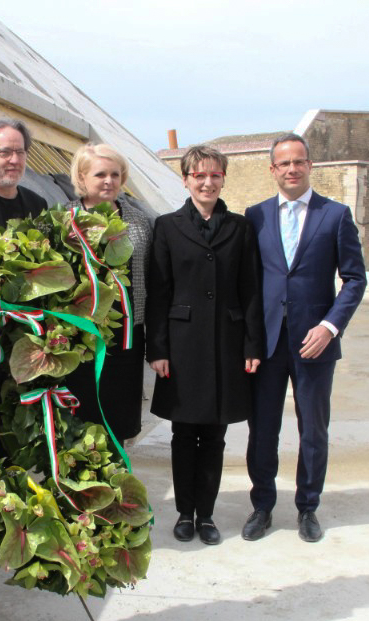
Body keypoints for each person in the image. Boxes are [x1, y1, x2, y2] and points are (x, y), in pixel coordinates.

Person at [241, 133, 367, 543]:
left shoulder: (336, 215)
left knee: (313, 429)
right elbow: (249, 283)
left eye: (299, 162)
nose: (292, 169)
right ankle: (262, 506)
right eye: (284, 163)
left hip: (315, 342)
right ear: (273, 170)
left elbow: (354, 279)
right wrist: (249, 340)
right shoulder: (255, 216)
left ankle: (308, 507)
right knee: (263, 429)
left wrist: (330, 326)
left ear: (310, 166)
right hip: (268, 343)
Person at [146, 146, 264, 545]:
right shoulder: (167, 226)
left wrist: (252, 345)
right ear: (185, 180)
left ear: (223, 179)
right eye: (199, 175)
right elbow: (159, 292)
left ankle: (207, 516)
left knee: (215, 435)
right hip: (182, 347)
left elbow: (251, 290)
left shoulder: (241, 228)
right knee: (183, 434)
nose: (207, 182)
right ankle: (185, 513)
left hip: (227, 345)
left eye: (215, 175)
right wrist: (157, 348)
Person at [65, 143, 153, 444]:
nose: (109, 181)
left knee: (120, 422)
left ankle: (118, 471)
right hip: (80, 339)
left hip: (127, 338)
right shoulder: (64, 219)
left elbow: (149, 278)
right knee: (81, 424)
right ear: (82, 176)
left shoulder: (138, 222)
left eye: (115, 174)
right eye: (100, 174)